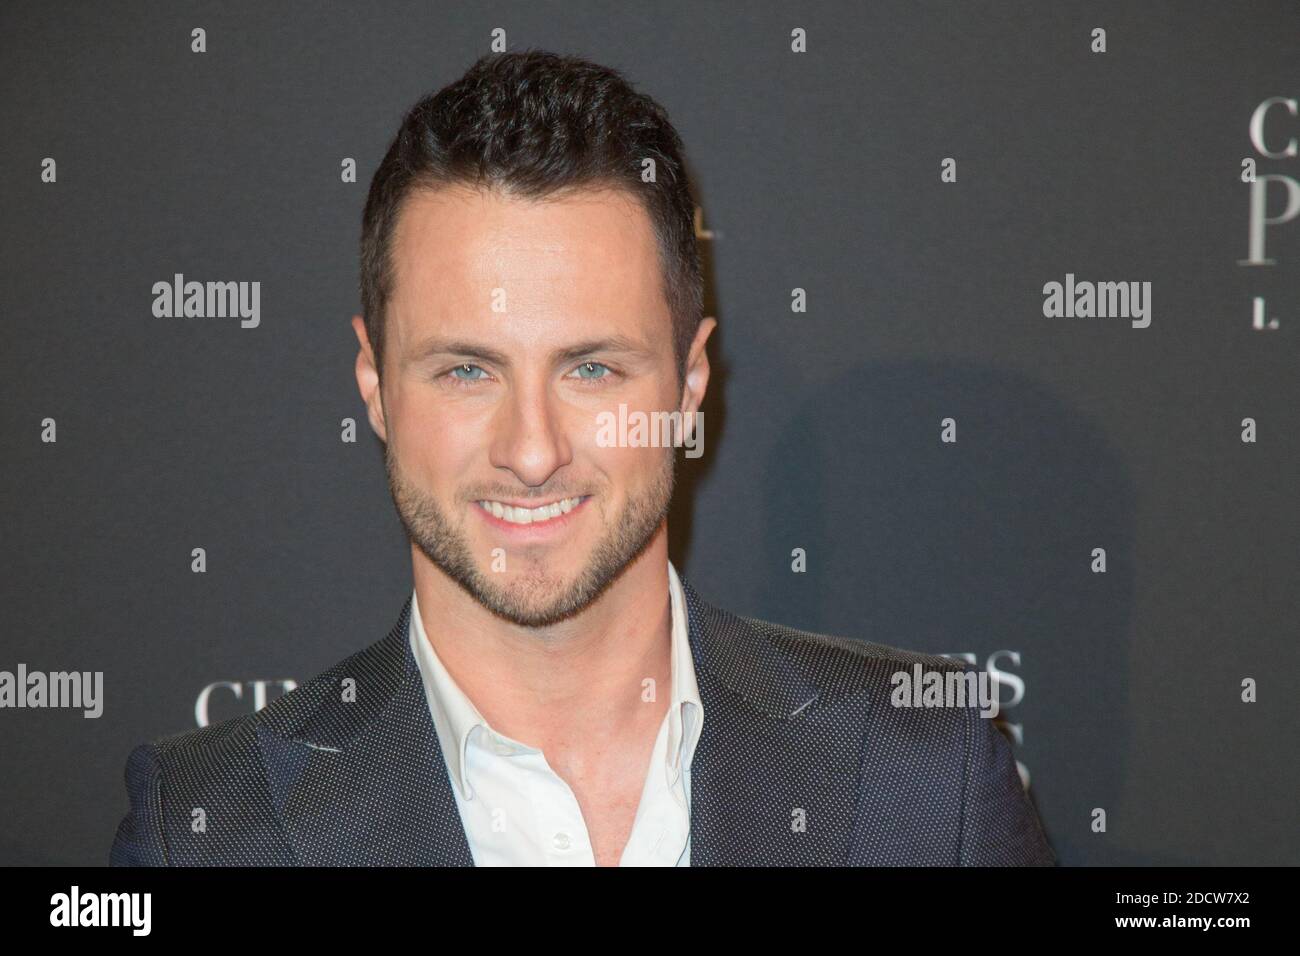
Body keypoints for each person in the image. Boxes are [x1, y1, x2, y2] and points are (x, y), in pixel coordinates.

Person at [110, 49, 1054, 867]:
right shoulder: (207, 830)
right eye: (467, 370)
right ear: (373, 385)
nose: (532, 451)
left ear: (688, 386)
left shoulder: (926, 783)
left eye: (592, 369)